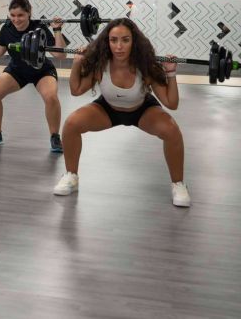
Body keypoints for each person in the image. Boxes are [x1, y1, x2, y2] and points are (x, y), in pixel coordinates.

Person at [52, 18, 190, 207]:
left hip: (141, 110)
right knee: (71, 124)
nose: (119, 46)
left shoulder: (146, 66)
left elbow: (171, 103)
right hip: (108, 109)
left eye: (125, 40)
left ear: (134, 41)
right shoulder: (101, 64)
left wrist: (171, 73)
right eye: (113, 40)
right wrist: (77, 63)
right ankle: (71, 176)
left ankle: (178, 184)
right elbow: (76, 90)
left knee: (172, 130)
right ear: (107, 42)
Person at [0, 0, 66, 152]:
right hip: (17, 70)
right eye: (12, 15)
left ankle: (55, 137)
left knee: (51, 97)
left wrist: (57, 30)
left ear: (29, 13)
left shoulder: (40, 27)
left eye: (20, 15)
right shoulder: (7, 28)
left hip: (41, 71)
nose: (16, 19)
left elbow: (60, 55)